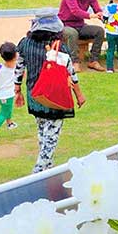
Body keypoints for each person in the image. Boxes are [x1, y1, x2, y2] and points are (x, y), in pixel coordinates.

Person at [17, 12, 85, 172]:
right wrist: (79, 94)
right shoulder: (60, 48)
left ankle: (47, 169)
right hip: (55, 97)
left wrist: (17, 89)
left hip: (35, 95)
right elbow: (71, 73)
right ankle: (39, 170)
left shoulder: (24, 43)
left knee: (42, 132)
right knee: (51, 137)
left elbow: (19, 68)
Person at [58, 0, 106, 72]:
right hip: (66, 24)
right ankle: (74, 62)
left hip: (80, 25)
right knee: (72, 33)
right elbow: (75, 11)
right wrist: (91, 15)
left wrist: (101, 15)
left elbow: (97, 8)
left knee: (99, 31)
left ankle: (93, 60)